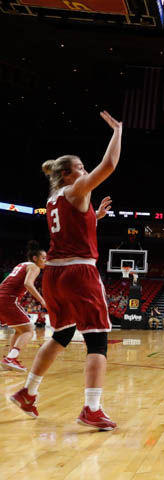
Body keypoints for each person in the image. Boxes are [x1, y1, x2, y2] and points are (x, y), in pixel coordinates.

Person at [9, 111, 121, 430]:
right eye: (81, 169)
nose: (86, 172)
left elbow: (71, 230)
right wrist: (118, 131)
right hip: (78, 273)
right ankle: (92, 408)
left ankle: (28, 392)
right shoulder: (75, 190)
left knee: (62, 334)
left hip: (54, 276)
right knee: (97, 340)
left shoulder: (55, 198)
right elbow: (109, 165)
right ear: (69, 175)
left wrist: (94, 216)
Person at [0, 241, 48, 372]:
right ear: (35, 258)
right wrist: (42, 301)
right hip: (8, 299)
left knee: (20, 330)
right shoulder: (34, 267)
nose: (46, 261)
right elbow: (28, 284)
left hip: (2, 297)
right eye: (43, 258)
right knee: (29, 330)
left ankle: (10, 359)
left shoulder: (21, 265)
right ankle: (10, 359)